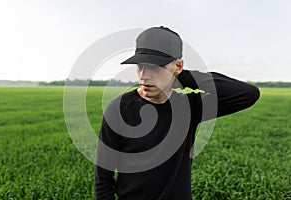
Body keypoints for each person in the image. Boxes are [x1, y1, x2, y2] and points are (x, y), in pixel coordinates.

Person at [94, 26, 260, 200]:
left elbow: (247, 94)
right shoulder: (119, 109)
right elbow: (102, 176)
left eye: (155, 67)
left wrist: (182, 77)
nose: (144, 76)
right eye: (140, 66)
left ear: (178, 66)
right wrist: (166, 74)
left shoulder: (189, 107)